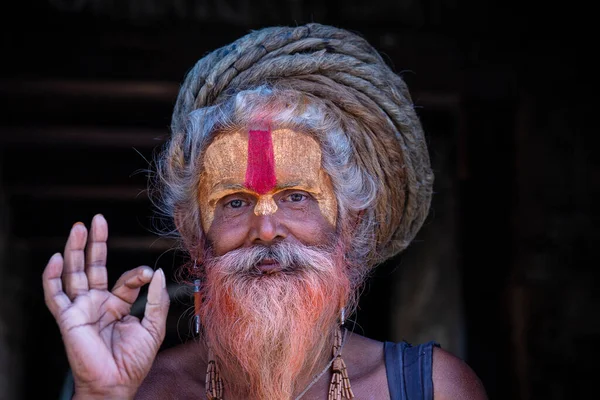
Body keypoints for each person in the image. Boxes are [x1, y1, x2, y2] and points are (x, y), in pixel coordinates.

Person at [42, 23, 488, 399]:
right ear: (196, 235)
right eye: (235, 202)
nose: (267, 229)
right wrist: (100, 395)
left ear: (350, 223)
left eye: (297, 196)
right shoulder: (147, 390)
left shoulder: (432, 387)